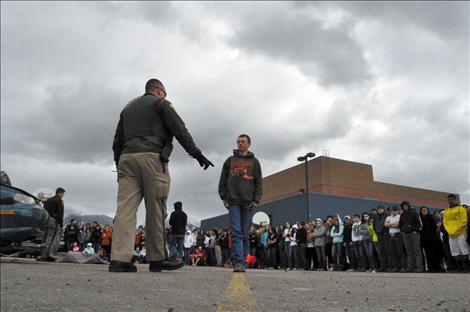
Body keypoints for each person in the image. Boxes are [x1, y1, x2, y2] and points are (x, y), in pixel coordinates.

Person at [110, 79, 214, 273]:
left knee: (125, 210)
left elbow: (117, 141)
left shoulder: (127, 109)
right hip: (151, 158)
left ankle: (119, 259)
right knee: (156, 207)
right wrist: (196, 153)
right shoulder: (161, 104)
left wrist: (119, 166)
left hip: (126, 160)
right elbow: (179, 128)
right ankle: (157, 258)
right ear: (159, 91)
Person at [218, 134, 263, 272]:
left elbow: (258, 182)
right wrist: (224, 197)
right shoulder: (229, 160)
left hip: (248, 203)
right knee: (236, 232)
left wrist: (256, 199)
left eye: (243, 141)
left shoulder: (254, 162)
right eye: (238, 141)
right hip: (233, 202)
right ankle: (238, 262)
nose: (240, 143)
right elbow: (223, 181)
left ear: (249, 144)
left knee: (244, 234)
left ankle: (243, 262)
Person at [443, 194, 469, 272]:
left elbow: (464, 221)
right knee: (455, 251)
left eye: (452, 199)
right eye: (449, 199)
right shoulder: (446, 210)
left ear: (455, 200)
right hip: (451, 234)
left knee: (464, 250)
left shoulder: (460, 209)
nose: (450, 201)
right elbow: (445, 222)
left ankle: (466, 268)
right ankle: (459, 268)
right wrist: (449, 231)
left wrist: (456, 230)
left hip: (460, 233)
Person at [39, 187, 65, 262]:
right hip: (53, 221)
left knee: (44, 238)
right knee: (53, 238)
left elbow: (44, 211)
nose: (63, 195)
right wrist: (61, 224)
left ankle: (43, 255)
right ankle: (50, 255)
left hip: (45, 220)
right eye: (63, 194)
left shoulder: (48, 200)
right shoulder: (59, 201)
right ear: (60, 193)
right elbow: (60, 214)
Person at [399, 201, 424, 273]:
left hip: (414, 234)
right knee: (409, 252)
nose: (404, 207)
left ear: (408, 205)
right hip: (406, 235)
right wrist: (402, 231)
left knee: (417, 251)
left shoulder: (414, 212)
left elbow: (418, 223)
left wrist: (415, 231)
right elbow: (400, 225)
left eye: (406, 205)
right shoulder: (402, 215)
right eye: (403, 206)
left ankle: (419, 268)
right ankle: (410, 268)